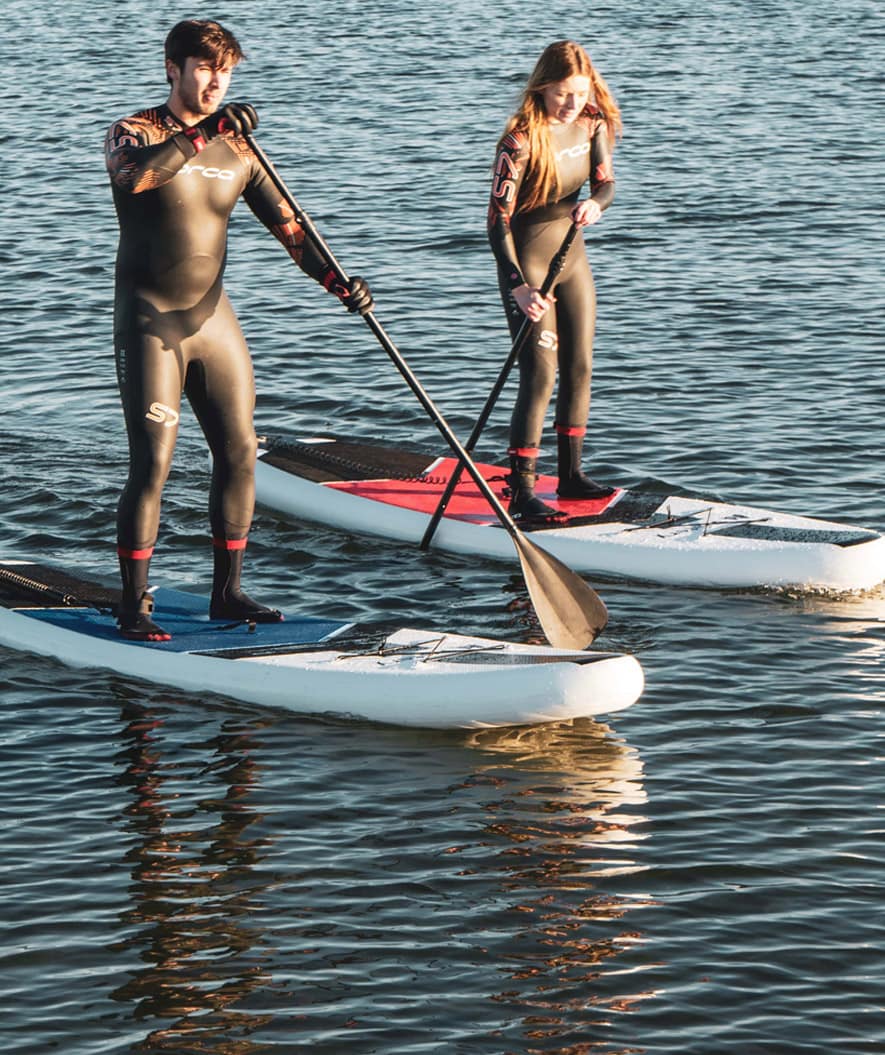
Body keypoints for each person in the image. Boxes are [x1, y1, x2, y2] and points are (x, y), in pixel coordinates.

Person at [105, 19, 373, 641]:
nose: (214, 83)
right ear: (172, 68)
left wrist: (338, 282)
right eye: (203, 69)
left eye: (223, 72)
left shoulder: (240, 151)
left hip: (213, 321)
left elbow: (293, 231)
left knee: (240, 451)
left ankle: (227, 594)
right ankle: (132, 604)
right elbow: (134, 176)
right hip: (148, 320)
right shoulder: (134, 131)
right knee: (154, 463)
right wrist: (205, 134)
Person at [487, 40, 622, 521]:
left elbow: (605, 184)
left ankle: (570, 475)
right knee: (540, 374)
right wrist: (518, 286)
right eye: (563, 93)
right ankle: (522, 491)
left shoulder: (593, 122)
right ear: (542, 87)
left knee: (579, 365)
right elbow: (496, 222)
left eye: (581, 93)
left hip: (572, 257)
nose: (572, 104)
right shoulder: (520, 141)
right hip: (528, 264)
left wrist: (596, 204)